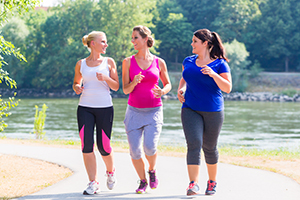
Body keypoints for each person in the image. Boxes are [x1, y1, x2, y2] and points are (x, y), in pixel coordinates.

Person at [177, 29, 232, 196]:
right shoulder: (188, 61)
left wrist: (214, 74)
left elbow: (227, 88)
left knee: (209, 147)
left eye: (195, 41)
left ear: (205, 43)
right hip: (190, 108)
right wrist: (181, 89)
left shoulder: (220, 64)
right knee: (193, 144)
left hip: (213, 111)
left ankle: (212, 181)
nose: (192, 44)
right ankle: (193, 184)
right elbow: (185, 77)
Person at [122, 25, 172, 194]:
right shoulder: (127, 62)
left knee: (150, 147)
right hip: (134, 112)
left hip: (154, 111)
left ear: (145, 39)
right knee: (135, 151)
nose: (132, 41)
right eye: (132, 38)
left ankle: (152, 170)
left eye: (135, 37)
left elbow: (168, 84)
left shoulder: (159, 62)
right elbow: (125, 90)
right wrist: (134, 82)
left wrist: (162, 91)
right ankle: (142, 181)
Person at [73, 31, 119, 195]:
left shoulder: (109, 62)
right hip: (85, 107)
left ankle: (111, 171)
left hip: (105, 108)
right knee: (86, 146)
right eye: (103, 42)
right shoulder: (81, 64)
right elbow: (76, 83)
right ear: (93, 44)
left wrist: (105, 78)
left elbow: (116, 86)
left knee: (104, 147)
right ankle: (93, 182)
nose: (106, 45)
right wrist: (77, 87)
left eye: (106, 42)